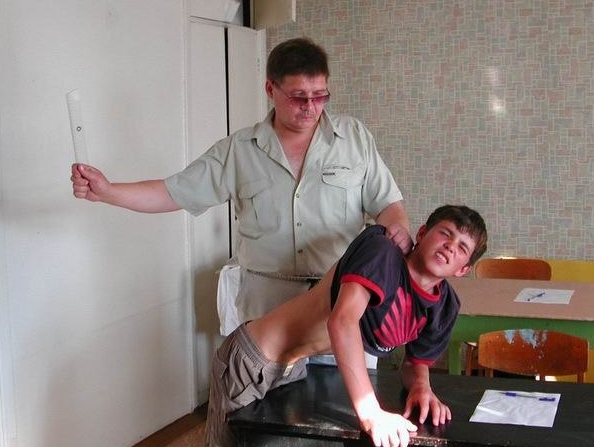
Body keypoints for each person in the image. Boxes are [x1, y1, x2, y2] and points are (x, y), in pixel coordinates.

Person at [71, 37, 412, 329]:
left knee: (347, 387)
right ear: (270, 89)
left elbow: (387, 204)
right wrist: (109, 192)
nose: (310, 108)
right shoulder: (239, 150)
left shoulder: (353, 137)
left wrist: (397, 229)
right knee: (270, 388)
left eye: (319, 95)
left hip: (342, 300)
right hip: (268, 306)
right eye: (298, 97)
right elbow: (172, 192)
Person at [200, 204, 488, 447]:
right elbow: (342, 321)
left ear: (463, 269)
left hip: (293, 369)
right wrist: (371, 413)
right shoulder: (382, 252)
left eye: (462, 247)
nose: (450, 246)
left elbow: (416, 363)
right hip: (252, 358)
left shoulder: (443, 306)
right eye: (445, 234)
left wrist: (421, 387)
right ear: (423, 233)